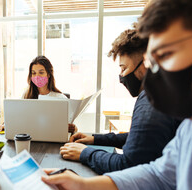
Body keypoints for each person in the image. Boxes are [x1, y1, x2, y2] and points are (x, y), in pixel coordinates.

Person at [36, 0, 192, 190]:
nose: (155, 75)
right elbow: (161, 177)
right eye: (152, 63)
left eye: (167, 55)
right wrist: (84, 187)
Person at [59, 26, 181, 174]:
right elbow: (139, 139)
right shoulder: (163, 92)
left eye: (123, 68)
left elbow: (128, 164)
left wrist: (85, 153)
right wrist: (94, 138)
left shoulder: (151, 101)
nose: (121, 76)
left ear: (145, 63)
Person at [0, 55, 77, 133]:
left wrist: (73, 128)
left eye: (41, 72)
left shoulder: (61, 98)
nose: (37, 76)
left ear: (48, 74)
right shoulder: (26, 95)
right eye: (34, 73)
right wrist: (6, 124)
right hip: (31, 138)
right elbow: (18, 118)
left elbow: (73, 128)